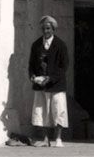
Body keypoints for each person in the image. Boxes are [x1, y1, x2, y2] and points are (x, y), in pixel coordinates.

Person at [27, 15, 70, 146]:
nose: (46, 31)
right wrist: (33, 76)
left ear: (53, 29)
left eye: (48, 29)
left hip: (56, 85)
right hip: (41, 85)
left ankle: (58, 138)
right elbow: (31, 64)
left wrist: (50, 78)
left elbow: (64, 66)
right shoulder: (36, 45)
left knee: (58, 110)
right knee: (42, 111)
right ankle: (45, 139)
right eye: (44, 29)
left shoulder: (60, 45)